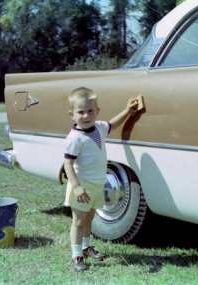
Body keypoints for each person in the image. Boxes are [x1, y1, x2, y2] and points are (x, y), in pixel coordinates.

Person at [63, 87, 140, 271]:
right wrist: (77, 187)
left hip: (98, 184)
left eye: (90, 110)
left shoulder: (99, 127)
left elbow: (113, 124)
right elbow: (67, 164)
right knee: (79, 221)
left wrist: (127, 111)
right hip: (82, 186)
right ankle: (76, 256)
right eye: (80, 112)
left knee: (89, 217)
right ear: (72, 114)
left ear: (97, 111)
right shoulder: (75, 138)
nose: (86, 115)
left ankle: (86, 247)